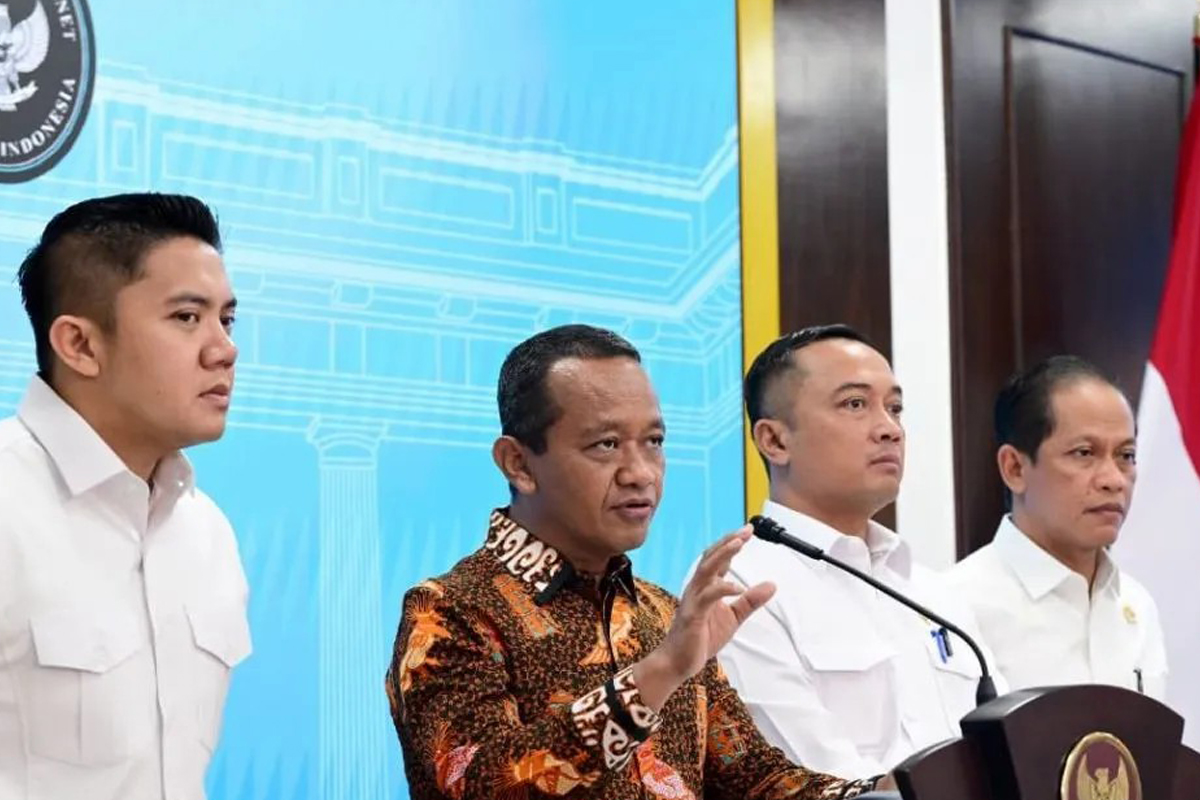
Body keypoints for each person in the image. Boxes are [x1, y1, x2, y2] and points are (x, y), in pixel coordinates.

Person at [384, 324, 889, 799]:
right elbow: (488, 784)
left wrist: (897, 790)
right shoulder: (450, 610)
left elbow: (759, 782)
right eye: (606, 444)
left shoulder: (663, 614)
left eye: (654, 442)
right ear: (519, 464)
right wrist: (660, 673)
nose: (641, 473)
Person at [0, 194, 251, 800]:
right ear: (80, 345)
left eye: (226, 319)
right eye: (187, 317)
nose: (224, 349)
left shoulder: (208, 532)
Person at [700, 325, 988, 778]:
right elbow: (815, 781)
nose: (889, 429)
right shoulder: (739, 588)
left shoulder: (933, 592)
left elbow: (1007, 747)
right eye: (855, 404)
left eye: (895, 408)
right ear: (775, 440)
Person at [945, 355, 1167, 698]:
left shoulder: (1137, 604)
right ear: (1015, 468)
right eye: (1084, 453)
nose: (1114, 480)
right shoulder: (956, 608)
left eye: (1126, 456)